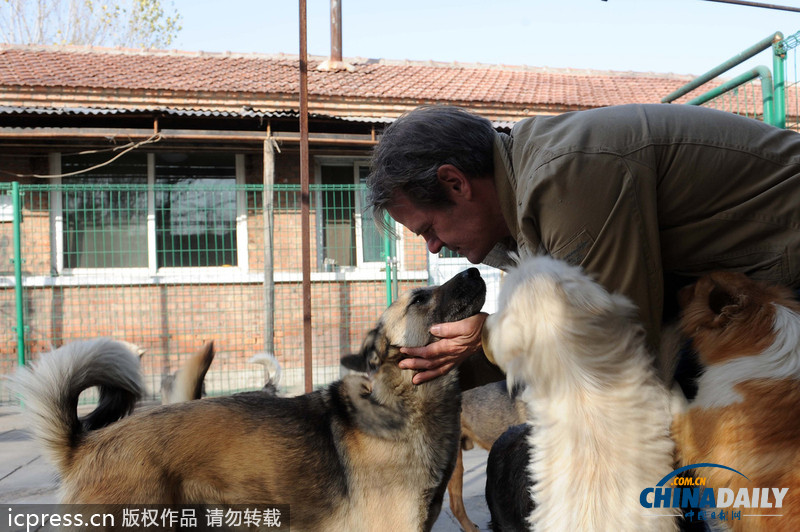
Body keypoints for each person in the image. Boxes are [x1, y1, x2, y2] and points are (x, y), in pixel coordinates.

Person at [366, 104, 800, 386]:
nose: (435, 248)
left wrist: (490, 335)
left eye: (428, 229)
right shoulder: (526, 196)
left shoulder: (565, 177)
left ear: (455, 182)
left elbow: (608, 342)